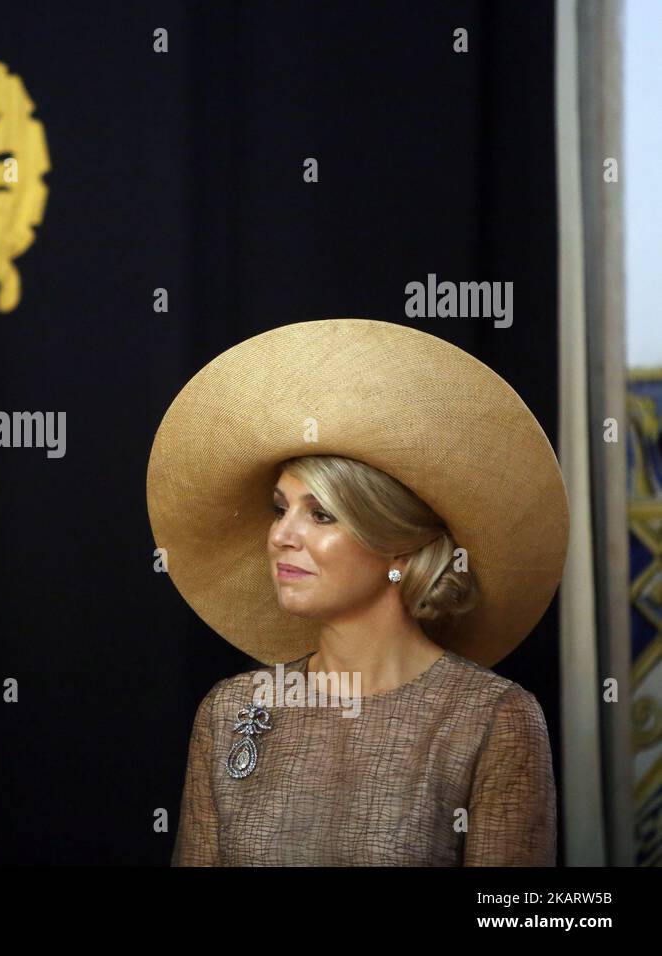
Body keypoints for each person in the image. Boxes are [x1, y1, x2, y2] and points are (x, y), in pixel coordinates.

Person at [146, 318, 566, 866]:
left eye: (321, 515)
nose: (280, 535)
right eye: (280, 509)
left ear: (398, 547)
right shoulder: (232, 710)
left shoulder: (491, 719)